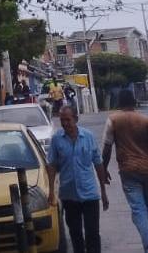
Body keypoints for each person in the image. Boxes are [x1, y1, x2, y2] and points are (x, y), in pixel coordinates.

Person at [101, 89, 148, 253]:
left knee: (138, 211)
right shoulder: (146, 120)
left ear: (119, 103)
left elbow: (106, 148)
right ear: (134, 102)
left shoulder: (113, 120)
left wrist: (104, 170)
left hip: (129, 172)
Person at [45, 104, 108, 253]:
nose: (65, 123)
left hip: (90, 194)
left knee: (92, 233)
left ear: (76, 119)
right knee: (75, 234)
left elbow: (98, 163)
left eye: (68, 119)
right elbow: (52, 165)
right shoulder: (56, 140)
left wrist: (103, 192)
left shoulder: (88, 137)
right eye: (62, 120)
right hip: (69, 195)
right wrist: (51, 192)